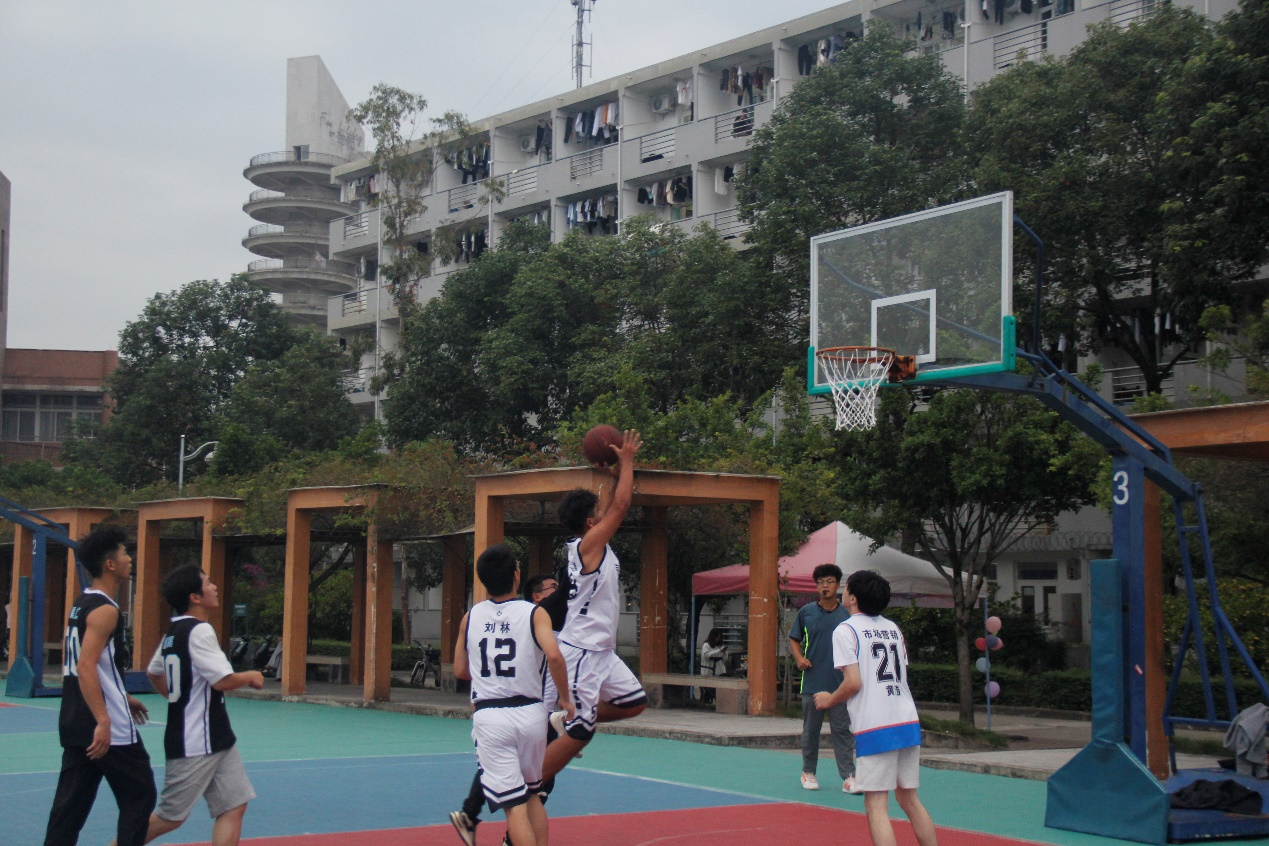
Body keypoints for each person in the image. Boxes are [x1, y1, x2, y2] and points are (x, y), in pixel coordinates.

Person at [114, 565, 263, 846]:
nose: (215, 587)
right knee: (170, 817)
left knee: (234, 805)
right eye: (208, 583)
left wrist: (176, 697)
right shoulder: (200, 630)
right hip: (195, 741)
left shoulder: (173, 632)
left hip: (217, 737)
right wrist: (250, 676)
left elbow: (153, 672)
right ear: (195, 597)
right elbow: (222, 680)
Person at [540, 429, 647, 784]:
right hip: (582, 650)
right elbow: (622, 506)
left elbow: (616, 501)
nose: (606, 512)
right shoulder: (589, 546)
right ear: (590, 523)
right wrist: (627, 460)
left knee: (634, 702)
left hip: (601, 650)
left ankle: (570, 719)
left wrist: (617, 475)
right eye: (598, 511)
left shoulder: (591, 544)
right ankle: (528, 784)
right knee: (583, 733)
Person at [43, 525, 157, 846]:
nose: (129, 558)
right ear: (109, 564)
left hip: (75, 720)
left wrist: (124, 695)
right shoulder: (106, 610)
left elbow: (93, 665)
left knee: (68, 812)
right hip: (107, 726)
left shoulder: (82, 603)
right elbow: (85, 666)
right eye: (124, 553)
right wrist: (104, 719)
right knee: (140, 795)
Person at [454, 544, 573, 846]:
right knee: (533, 794)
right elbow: (554, 656)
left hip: (491, 716)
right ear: (516, 575)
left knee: (514, 806)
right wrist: (565, 698)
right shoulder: (535, 613)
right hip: (532, 714)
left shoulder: (471, 617)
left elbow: (460, 670)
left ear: (483, 579)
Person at [814, 570, 938, 846]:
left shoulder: (846, 630)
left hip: (876, 724)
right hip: (906, 719)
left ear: (853, 598)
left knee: (876, 805)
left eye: (846, 587)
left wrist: (829, 699)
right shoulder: (893, 628)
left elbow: (853, 682)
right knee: (909, 798)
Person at [789, 563, 858, 793]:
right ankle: (808, 772)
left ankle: (849, 776)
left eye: (829, 582)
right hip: (812, 683)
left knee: (842, 730)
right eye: (820, 582)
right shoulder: (806, 612)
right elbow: (794, 638)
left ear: (838, 585)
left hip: (841, 685)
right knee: (811, 731)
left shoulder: (847, 614)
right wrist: (799, 658)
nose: (824, 586)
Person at [698, 627, 728, 705]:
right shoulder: (706, 645)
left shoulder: (719, 646)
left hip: (720, 670)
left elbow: (724, 659)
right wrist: (718, 651)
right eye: (717, 637)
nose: (718, 639)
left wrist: (724, 653)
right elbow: (706, 656)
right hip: (709, 671)